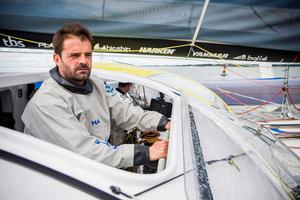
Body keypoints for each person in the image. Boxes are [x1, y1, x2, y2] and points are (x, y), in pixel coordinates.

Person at [21, 22, 170, 169]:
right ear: (57, 59)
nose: (83, 61)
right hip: (60, 176)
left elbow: (125, 111)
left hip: (91, 168)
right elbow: (86, 151)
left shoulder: (95, 83)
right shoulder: (47, 102)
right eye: (75, 55)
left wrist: (163, 122)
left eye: (88, 55)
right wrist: (147, 153)